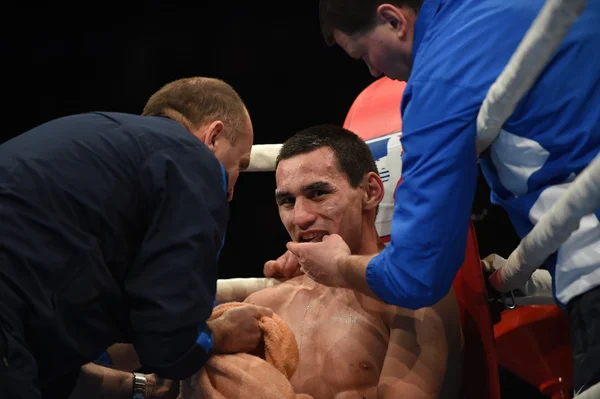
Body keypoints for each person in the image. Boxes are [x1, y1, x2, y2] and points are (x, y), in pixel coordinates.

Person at [272, 1, 600, 396]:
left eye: (363, 54)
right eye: (287, 201)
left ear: (393, 20)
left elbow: (416, 276)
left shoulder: (439, 79)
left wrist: (341, 267)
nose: (374, 71)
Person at [0, 76, 273, 399]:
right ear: (213, 136)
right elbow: (170, 346)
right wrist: (220, 334)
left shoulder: (95, 140)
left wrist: (140, 381)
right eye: (237, 166)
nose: (229, 193)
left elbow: (51, 357)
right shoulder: (190, 159)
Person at [246, 125, 463, 398]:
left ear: (370, 191)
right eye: (287, 201)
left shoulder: (412, 296)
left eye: (318, 193)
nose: (300, 217)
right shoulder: (265, 308)